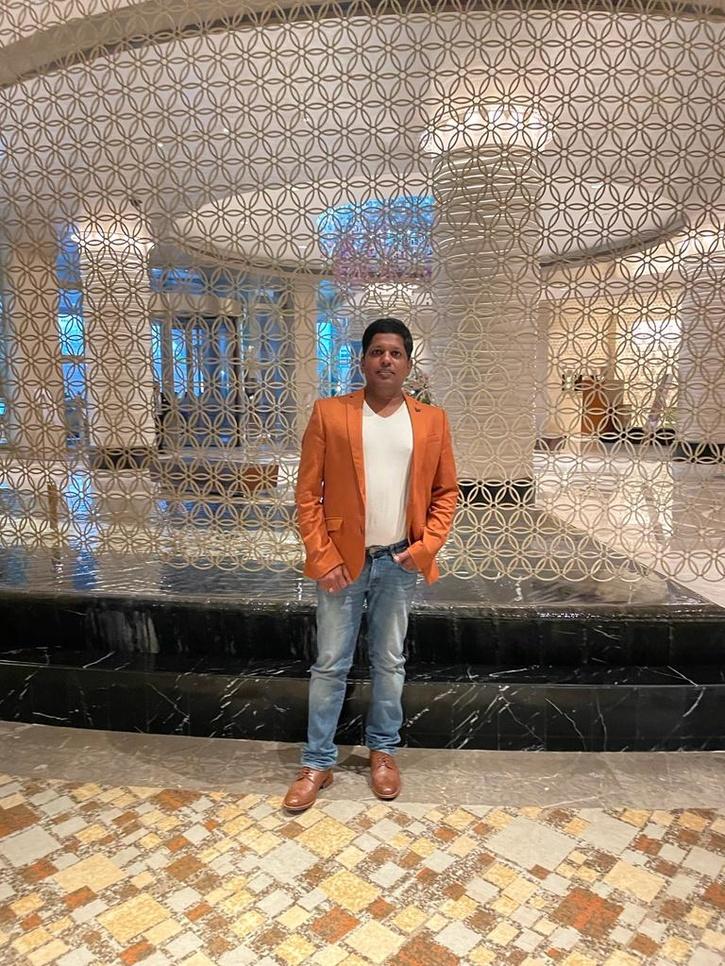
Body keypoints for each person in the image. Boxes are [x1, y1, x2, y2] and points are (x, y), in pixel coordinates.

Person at [283, 318, 457, 811]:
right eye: (377, 351)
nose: (386, 360)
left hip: (399, 561)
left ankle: (383, 752)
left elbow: (446, 494)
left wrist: (424, 549)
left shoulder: (432, 420)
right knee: (330, 664)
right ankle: (317, 761)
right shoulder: (330, 413)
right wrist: (323, 557)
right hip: (342, 564)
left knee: (390, 661)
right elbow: (307, 494)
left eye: (395, 353)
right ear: (362, 360)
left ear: (408, 364)